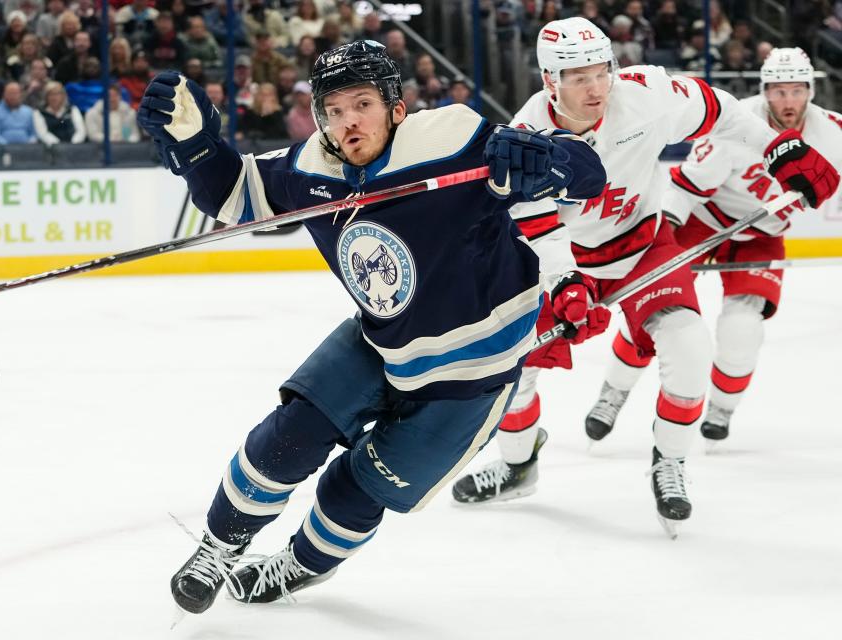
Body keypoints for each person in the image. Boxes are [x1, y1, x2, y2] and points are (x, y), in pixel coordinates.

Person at [135, 39, 605, 615]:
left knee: (357, 490)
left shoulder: (455, 140)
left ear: (395, 107)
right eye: (332, 110)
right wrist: (195, 145)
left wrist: (544, 159)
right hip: (379, 342)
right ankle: (217, 547)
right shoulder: (313, 168)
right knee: (283, 441)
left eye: (361, 104)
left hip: (472, 378)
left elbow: (587, 174)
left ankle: (297, 567)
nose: (347, 121)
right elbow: (236, 192)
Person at [451, 18, 838, 537]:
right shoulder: (526, 139)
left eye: (601, 72)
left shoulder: (646, 93)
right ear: (550, 81)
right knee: (514, 373)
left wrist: (776, 147)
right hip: (565, 260)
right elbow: (536, 223)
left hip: (642, 244)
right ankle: (519, 466)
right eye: (579, 77)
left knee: (689, 343)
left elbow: (718, 109)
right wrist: (566, 282)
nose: (596, 89)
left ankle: (670, 460)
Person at [607, 48, 842, 445]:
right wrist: (665, 236)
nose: (788, 101)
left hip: (761, 235)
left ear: (811, 91)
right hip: (703, 220)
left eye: (797, 90)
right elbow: (686, 189)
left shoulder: (832, 133)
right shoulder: (740, 126)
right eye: (779, 91)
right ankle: (612, 394)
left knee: (742, 329)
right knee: (654, 310)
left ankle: (720, 409)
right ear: (765, 91)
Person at [33, 80, 86, 144]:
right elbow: (43, 133)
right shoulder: (39, 112)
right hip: (50, 149)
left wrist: (73, 144)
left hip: (73, 147)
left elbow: (81, 131)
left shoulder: (72, 110)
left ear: (63, 96)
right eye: (51, 94)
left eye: (57, 94)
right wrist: (59, 146)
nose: (54, 97)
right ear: (46, 97)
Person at [0, 81, 37, 147]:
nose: (13, 96)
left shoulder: (28, 111)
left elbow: (34, 133)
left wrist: (30, 143)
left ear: (20, 94)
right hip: (4, 148)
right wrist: (7, 146)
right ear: (4, 95)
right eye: (10, 93)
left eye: (15, 93)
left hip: (27, 148)